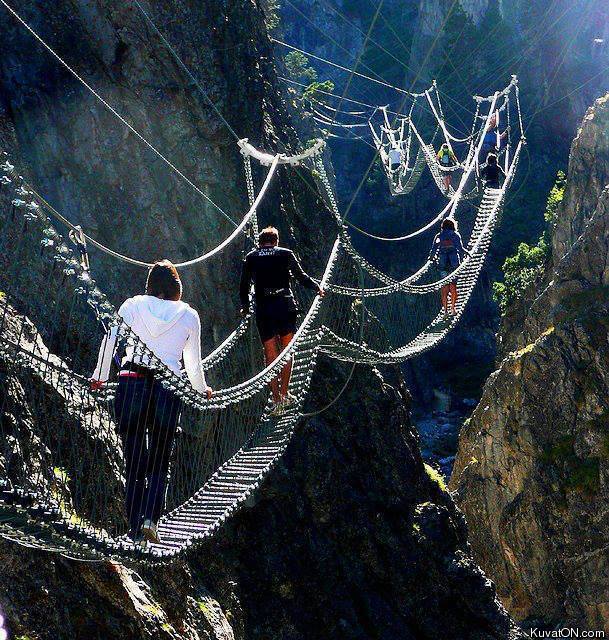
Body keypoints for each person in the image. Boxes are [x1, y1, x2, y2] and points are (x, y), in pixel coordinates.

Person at [90, 260, 213, 545]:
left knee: (134, 461)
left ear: (150, 284)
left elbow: (110, 341)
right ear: (176, 287)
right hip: (167, 390)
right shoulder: (188, 315)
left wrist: (99, 375)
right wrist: (202, 388)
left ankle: (134, 529)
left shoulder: (132, 306)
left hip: (131, 383)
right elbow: (192, 362)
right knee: (159, 459)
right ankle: (150, 520)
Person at [240, 226, 323, 413]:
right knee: (286, 351)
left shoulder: (251, 257)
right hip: (284, 305)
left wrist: (245, 307)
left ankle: (276, 399)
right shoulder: (285, 254)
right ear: (276, 241)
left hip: (264, 308)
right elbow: (301, 277)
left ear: (260, 242)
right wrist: (317, 287)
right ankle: (284, 394)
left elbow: (244, 286)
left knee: (270, 353)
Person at [429, 218, 469, 317]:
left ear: (443, 226)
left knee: (444, 288)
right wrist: (466, 254)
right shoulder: (455, 235)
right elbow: (459, 248)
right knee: (453, 287)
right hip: (454, 265)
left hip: (442, 265)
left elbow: (434, 248)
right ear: (453, 226)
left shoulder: (439, 236)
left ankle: (446, 311)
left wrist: (431, 258)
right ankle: (453, 309)